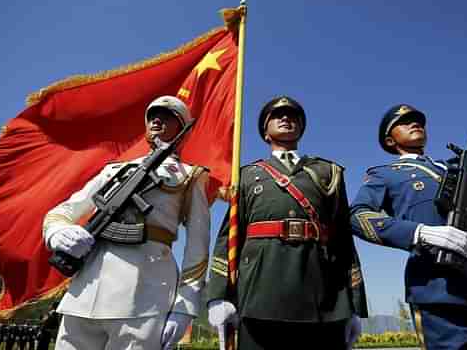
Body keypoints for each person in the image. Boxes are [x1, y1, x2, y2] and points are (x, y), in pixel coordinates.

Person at [349, 104, 467, 349]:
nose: (415, 124)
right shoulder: (385, 174)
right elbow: (358, 216)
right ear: (389, 140)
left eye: (418, 121)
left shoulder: (454, 170)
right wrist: (419, 233)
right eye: (404, 122)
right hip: (440, 289)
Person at [42, 96, 210, 350]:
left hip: (145, 294)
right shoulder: (115, 171)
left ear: (182, 128)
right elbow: (64, 211)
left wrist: (184, 306)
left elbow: (197, 247)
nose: (157, 120)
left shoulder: (191, 176)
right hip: (87, 289)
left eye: (167, 117)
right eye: (153, 115)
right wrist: (58, 232)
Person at [205, 95, 368, 350]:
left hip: (324, 295)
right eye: (277, 115)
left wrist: (355, 305)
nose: (285, 118)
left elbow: (343, 240)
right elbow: (228, 237)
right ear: (265, 132)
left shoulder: (328, 172)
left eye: (293, 116)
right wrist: (217, 296)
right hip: (259, 292)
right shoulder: (247, 175)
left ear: (301, 128)